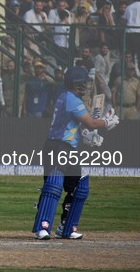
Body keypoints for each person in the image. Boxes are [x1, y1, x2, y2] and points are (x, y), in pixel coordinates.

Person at [32, 66, 119, 240]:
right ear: (74, 83)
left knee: (79, 185)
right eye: (83, 83)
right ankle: (43, 226)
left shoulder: (66, 97)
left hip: (67, 146)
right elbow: (91, 123)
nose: (86, 87)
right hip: (58, 146)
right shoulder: (71, 99)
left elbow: (74, 125)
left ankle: (67, 227)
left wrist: (87, 135)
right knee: (54, 183)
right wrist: (106, 122)